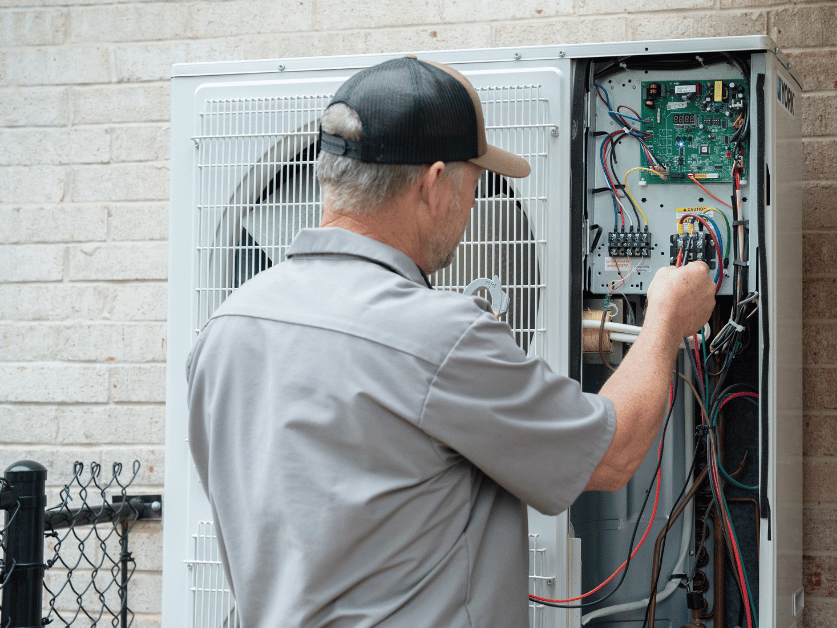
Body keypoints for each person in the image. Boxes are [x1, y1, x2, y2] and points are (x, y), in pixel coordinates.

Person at [186, 56, 715, 627]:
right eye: (475, 185)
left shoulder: (224, 331)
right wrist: (665, 319)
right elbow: (612, 456)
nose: (472, 207)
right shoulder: (440, 337)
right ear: (434, 183)